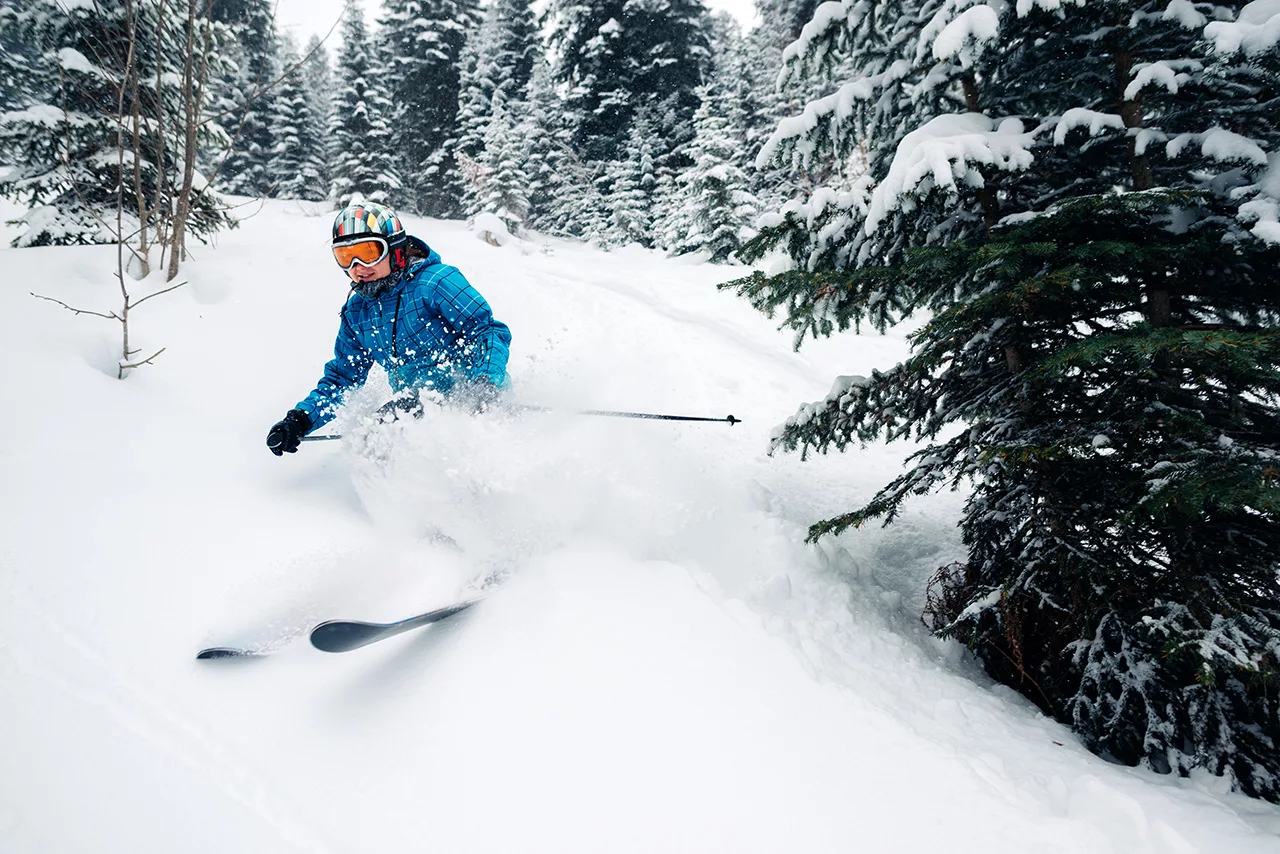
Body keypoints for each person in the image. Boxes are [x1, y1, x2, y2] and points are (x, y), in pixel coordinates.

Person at [266, 202, 512, 456]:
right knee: (375, 437)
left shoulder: (435, 282)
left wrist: (485, 383)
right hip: (416, 406)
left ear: (394, 249)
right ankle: (406, 493)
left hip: (474, 395)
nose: (358, 266)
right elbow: (342, 379)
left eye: (368, 252)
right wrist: (300, 420)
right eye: (345, 257)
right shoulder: (357, 313)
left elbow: (487, 331)